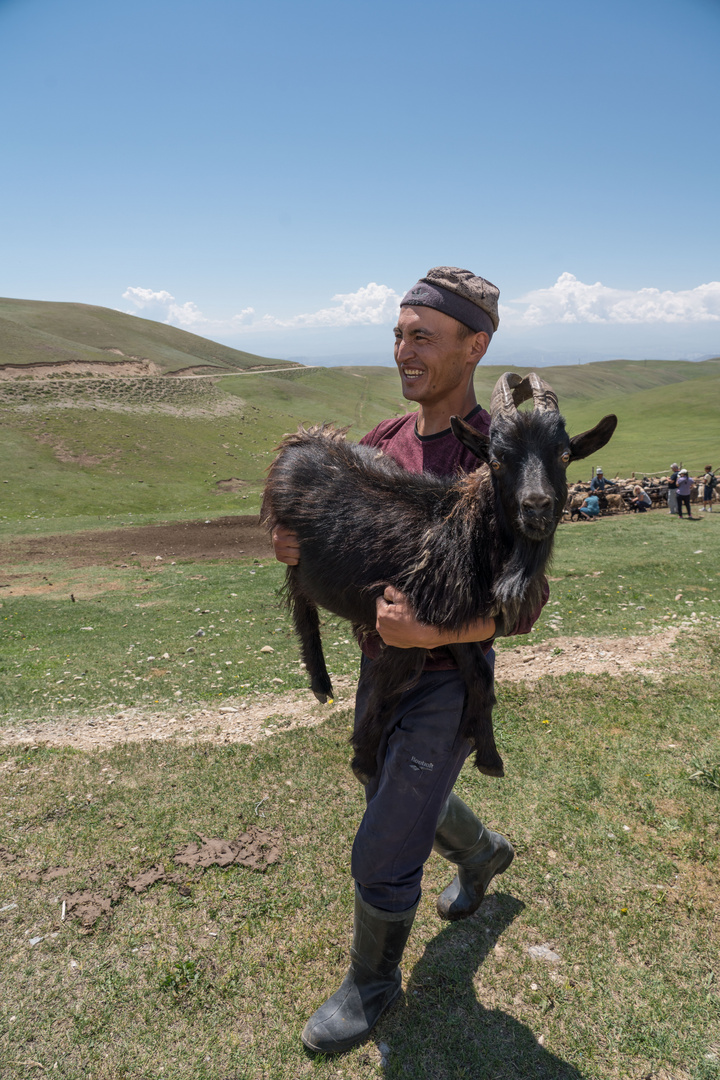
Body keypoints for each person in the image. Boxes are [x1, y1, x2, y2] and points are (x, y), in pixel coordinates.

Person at [271, 266, 547, 1055]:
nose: (404, 351)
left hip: (449, 683)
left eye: (422, 336)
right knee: (374, 779)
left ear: (475, 347)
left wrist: (434, 635)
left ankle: (372, 984)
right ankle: (480, 850)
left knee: (384, 841)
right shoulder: (381, 447)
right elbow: (342, 560)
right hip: (378, 669)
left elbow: (528, 601)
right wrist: (294, 547)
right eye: (398, 335)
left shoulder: (498, 465)